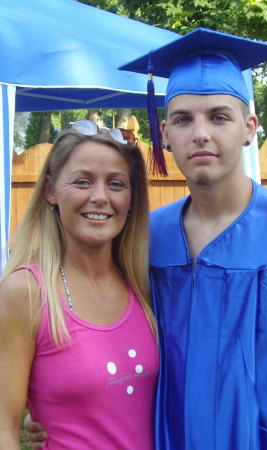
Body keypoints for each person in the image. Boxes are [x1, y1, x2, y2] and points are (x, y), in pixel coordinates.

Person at [26, 28, 267, 449]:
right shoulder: (143, 238)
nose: (200, 133)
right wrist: (57, 409)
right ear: (164, 133)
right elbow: (111, 347)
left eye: (219, 116)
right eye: (183, 119)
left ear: (249, 127)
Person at [0, 120, 159, 449]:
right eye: (83, 182)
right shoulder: (26, 293)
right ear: (50, 191)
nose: (100, 197)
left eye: (116, 184)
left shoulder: (146, 285)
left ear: (131, 199)